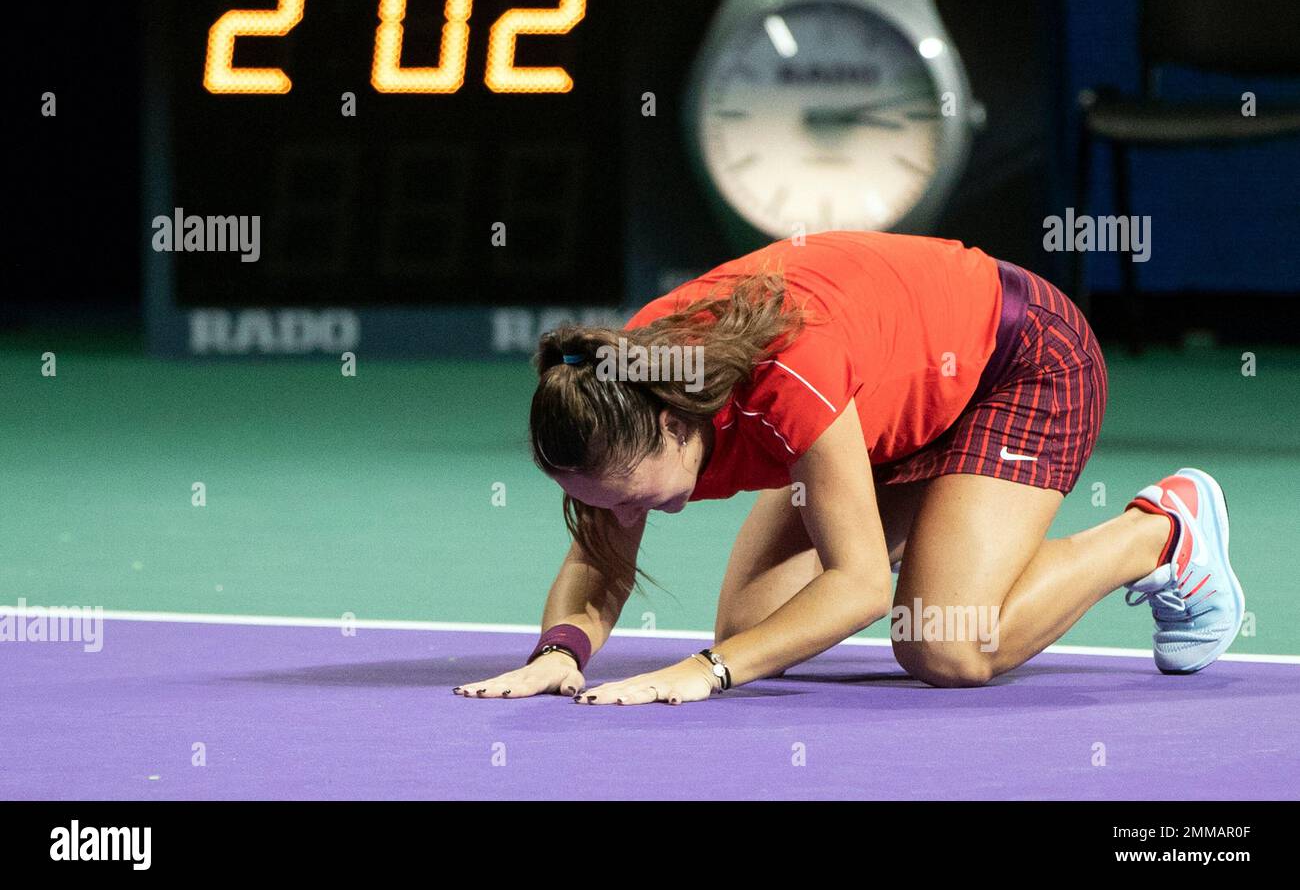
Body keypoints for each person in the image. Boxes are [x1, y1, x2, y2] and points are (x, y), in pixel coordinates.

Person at [453, 231, 1243, 705]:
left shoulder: (785, 382)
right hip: (888, 403)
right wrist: (558, 652)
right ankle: (953, 528)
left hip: (1018, 362)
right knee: (755, 630)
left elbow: (861, 585)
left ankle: (1162, 532)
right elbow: (598, 560)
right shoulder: (618, 390)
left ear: (674, 425)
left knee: (945, 644)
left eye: (626, 500)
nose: (621, 521)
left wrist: (705, 671)